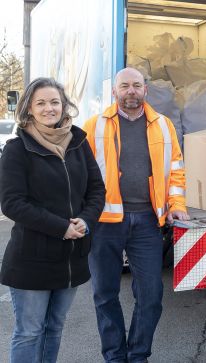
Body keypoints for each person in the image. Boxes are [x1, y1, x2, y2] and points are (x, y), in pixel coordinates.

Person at [83, 67, 189, 363]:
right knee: (105, 294)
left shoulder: (164, 126)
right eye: (125, 86)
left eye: (137, 85)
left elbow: (176, 170)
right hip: (105, 223)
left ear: (146, 90)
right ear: (114, 92)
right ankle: (116, 357)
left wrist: (176, 204)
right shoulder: (95, 126)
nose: (131, 91)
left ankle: (138, 355)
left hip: (146, 222)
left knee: (151, 296)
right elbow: (81, 174)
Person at [0, 77, 105, 362]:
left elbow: (97, 189)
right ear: (29, 109)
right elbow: (12, 203)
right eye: (41, 103)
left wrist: (86, 220)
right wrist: (62, 228)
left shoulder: (78, 143)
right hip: (31, 260)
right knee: (30, 332)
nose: (49, 108)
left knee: (55, 328)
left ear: (64, 106)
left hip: (70, 260)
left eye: (55, 102)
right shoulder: (17, 149)